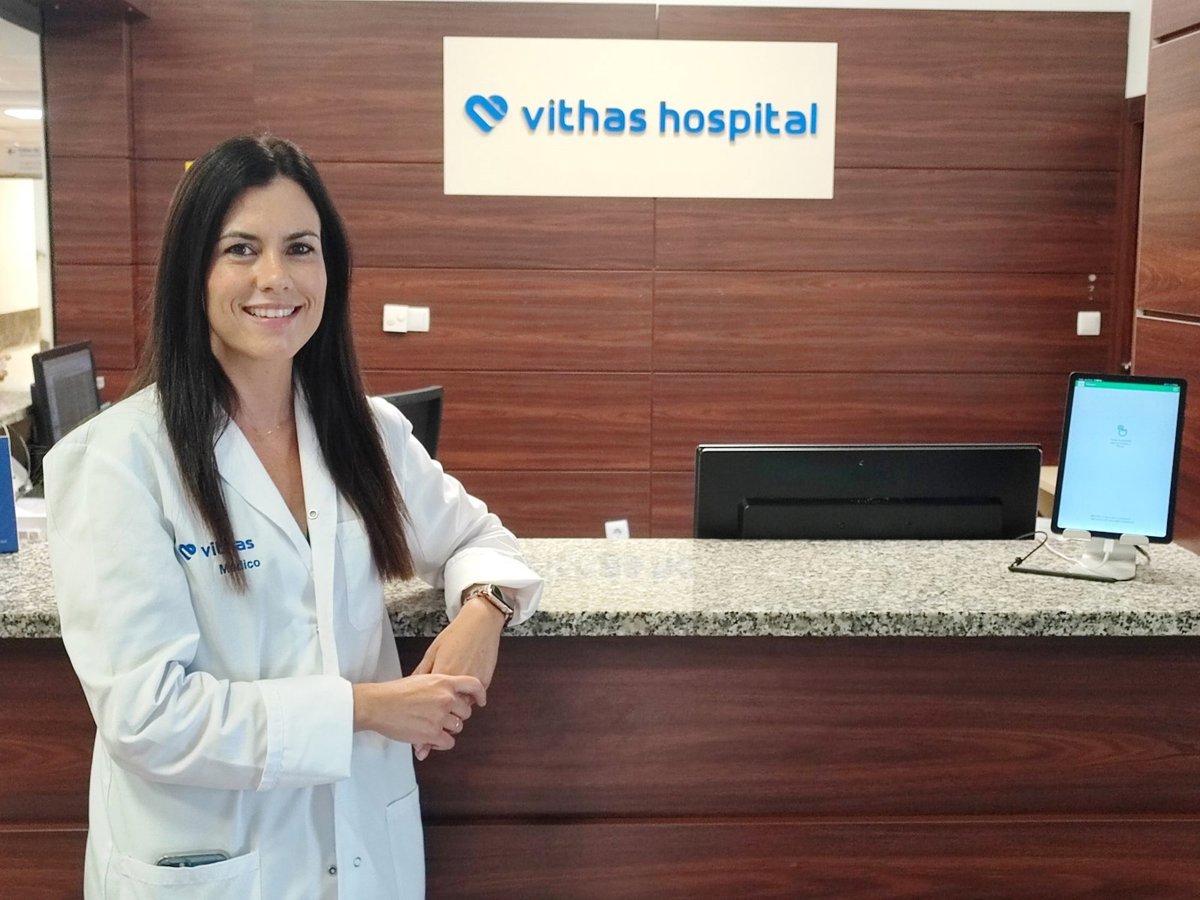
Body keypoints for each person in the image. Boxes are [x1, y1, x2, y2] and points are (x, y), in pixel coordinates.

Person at [45, 134, 542, 900]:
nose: (274, 277)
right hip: (209, 865)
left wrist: (486, 610)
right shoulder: (118, 460)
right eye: (241, 249)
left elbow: (481, 538)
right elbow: (148, 717)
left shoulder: (366, 432)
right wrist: (365, 711)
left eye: (300, 248)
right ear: (193, 272)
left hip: (364, 851)